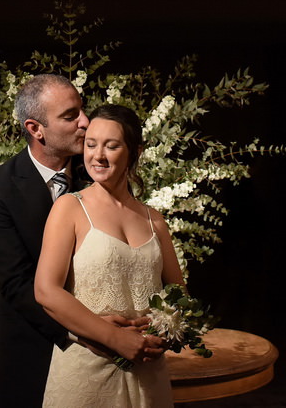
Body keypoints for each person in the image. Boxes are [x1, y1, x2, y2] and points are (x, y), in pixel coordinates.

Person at [0, 75, 155, 407]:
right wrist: (89, 332)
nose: (86, 122)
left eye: (83, 110)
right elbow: (16, 284)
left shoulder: (100, 167)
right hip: (39, 346)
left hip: (116, 354)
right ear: (35, 129)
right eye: (70, 115)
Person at [35, 103, 185, 408]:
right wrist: (115, 338)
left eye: (111, 146)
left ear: (135, 151)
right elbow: (46, 291)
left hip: (147, 373)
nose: (97, 155)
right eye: (91, 145)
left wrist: (164, 331)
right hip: (86, 372)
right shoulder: (69, 208)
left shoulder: (154, 219)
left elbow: (178, 293)